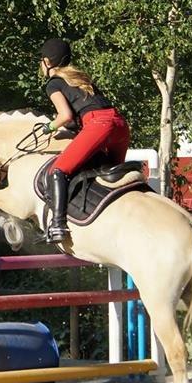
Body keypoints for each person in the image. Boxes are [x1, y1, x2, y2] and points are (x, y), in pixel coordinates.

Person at [39, 38, 131, 242]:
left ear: (47, 61)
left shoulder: (53, 83)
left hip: (100, 125)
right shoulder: (80, 78)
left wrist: (48, 128)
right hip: (120, 126)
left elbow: (65, 116)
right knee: (110, 178)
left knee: (58, 170)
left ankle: (58, 225)